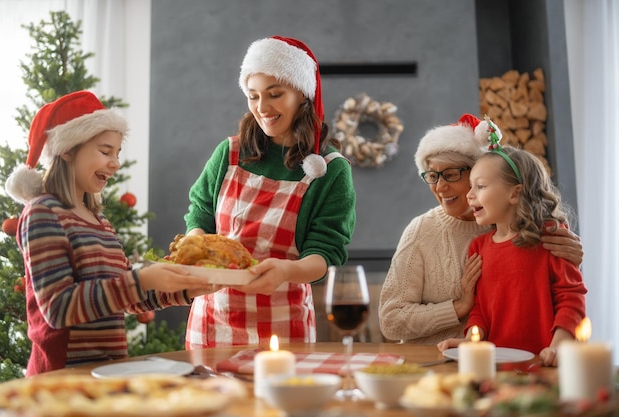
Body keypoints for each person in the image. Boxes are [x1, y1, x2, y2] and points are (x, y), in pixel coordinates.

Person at [5, 91, 215, 375]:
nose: (115, 163)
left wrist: (184, 289)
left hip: (105, 372)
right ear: (67, 149)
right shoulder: (43, 213)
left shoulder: (99, 221)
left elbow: (128, 296)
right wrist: (140, 279)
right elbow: (58, 309)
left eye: (117, 153)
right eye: (105, 151)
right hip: (62, 378)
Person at [183, 36, 356, 348]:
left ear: (302, 95)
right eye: (253, 96)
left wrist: (287, 270)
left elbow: (326, 254)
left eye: (275, 94)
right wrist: (195, 246)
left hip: (283, 328)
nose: (262, 107)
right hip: (211, 324)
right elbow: (201, 213)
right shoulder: (230, 152)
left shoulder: (329, 169)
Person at [378, 114, 584, 345]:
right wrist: (458, 308)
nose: (440, 186)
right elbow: (391, 321)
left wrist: (574, 255)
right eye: (433, 176)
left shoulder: (521, 228)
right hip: (438, 360)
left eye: (452, 174)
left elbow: (565, 292)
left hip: (508, 361)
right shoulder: (422, 230)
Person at [437, 120, 587, 367]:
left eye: (481, 186)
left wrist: (559, 345)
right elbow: (481, 310)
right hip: (495, 368)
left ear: (514, 193)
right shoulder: (478, 248)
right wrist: (472, 340)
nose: (469, 195)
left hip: (545, 365)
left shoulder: (551, 237)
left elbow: (571, 297)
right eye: (471, 186)